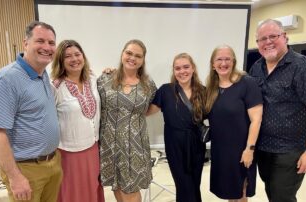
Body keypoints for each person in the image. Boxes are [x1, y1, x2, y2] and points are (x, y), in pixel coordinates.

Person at [0, 21, 62, 202]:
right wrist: (15, 177)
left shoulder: (42, 73)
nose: (46, 47)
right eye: (40, 41)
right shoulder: (7, 79)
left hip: (52, 163)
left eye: (51, 43)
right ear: (26, 43)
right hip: (26, 169)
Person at [249, 19, 306, 202]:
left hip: (291, 150)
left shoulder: (302, 66)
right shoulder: (256, 68)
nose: (268, 42)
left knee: (282, 197)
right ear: (258, 43)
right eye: (262, 39)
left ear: (285, 37)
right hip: (264, 148)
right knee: (271, 192)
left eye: (273, 36)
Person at [97, 39, 157, 202]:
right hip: (109, 143)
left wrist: (135, 116)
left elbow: (154, 106)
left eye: (138, 56)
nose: (132, 58)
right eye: (129, 53)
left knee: (131, 190)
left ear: (143, 60)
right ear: (122, 53)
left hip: (135, 145)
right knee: (116, 186)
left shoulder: (148, 84)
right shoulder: (104, 79)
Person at [205, 45, 263, 202]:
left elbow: (256, 119)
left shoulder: (247, 83)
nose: (223, 63)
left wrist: (249, 149)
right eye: (219, 59)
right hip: (220, 151)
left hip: (241, 150)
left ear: (234, 61)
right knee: (229, 192)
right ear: (212, 64)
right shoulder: (211, 88)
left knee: (241, 193)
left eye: (227, 59)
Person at [147, 53, 206, 202]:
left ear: (193, 68)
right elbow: (146, 111)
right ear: (173, 71)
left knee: (194, 183)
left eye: (186, 67)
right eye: (177, 68)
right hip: (175, 144)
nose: (182, 71)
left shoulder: (204, 91)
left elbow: (218, 115)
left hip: (196, 144)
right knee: (183, 184)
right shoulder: (166, 90)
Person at [50, 40, 105, 202]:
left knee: (92, 190)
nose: (74, 59)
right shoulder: (55, 87)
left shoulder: (93, 79)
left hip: (93, 148)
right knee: (73, 194)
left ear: (83, 56)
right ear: (61, 61)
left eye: (77, 54)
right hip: (69, 153)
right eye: (68, 56)